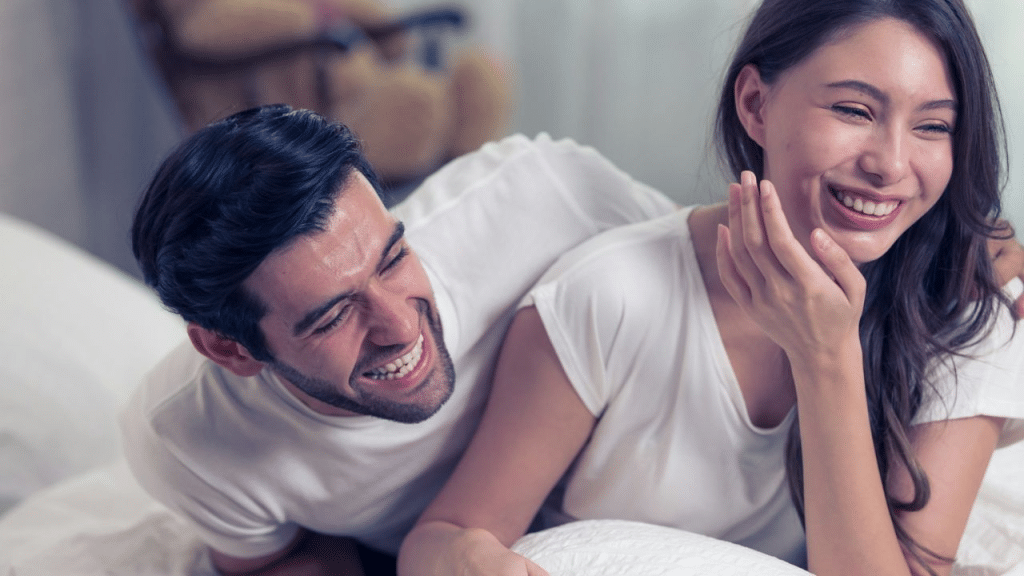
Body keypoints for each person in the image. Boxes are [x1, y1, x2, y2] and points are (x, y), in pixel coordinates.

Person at [397, 1, 1024, 575]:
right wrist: (475, 559)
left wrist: (825, 356)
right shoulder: (611, 294)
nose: (889, 164)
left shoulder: (964, 315)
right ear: (754, 103)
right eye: (853, 110)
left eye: (933, 126)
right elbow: (445, 535)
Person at [120, 104, 680, 575]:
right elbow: (291, 561)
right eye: (333, 316)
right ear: (230, 350)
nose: (402, 327)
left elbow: (719, 292)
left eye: (392, 260)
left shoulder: (543, 192)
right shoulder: (188, 442)